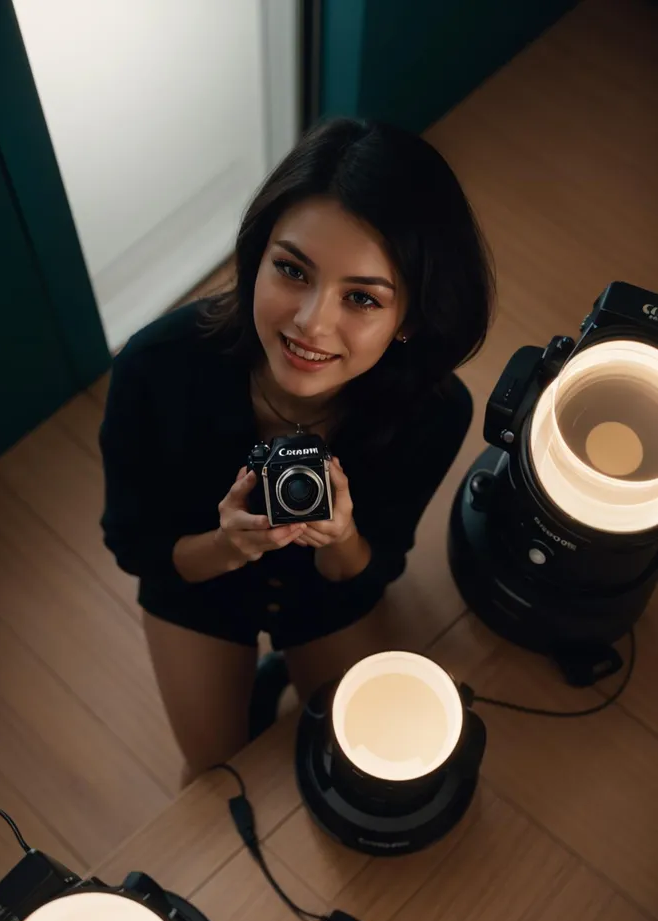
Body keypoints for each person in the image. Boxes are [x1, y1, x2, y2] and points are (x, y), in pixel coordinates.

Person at [99, 117, 494, 786]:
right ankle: (262, 679)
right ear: (256, 257)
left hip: (322, 590)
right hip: (197, 580)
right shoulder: (154, 368)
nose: (311, 323)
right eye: (291, 269)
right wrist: (229, 545)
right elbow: (136, 546)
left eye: (362, 298)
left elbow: (375, 568)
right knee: (217, 774)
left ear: (411, 321)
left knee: (360, 754)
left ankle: (283, 666)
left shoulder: (434, 411)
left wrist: (338, 536)